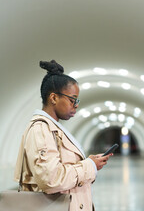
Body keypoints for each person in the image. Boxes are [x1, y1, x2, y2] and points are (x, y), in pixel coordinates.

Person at [14, 60, 113, 211]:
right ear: (53, 98)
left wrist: (91, 163)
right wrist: (89, 165)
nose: (76, 105)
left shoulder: (54, 128)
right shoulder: (41, 129)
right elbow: (51, 179)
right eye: (73, 100)